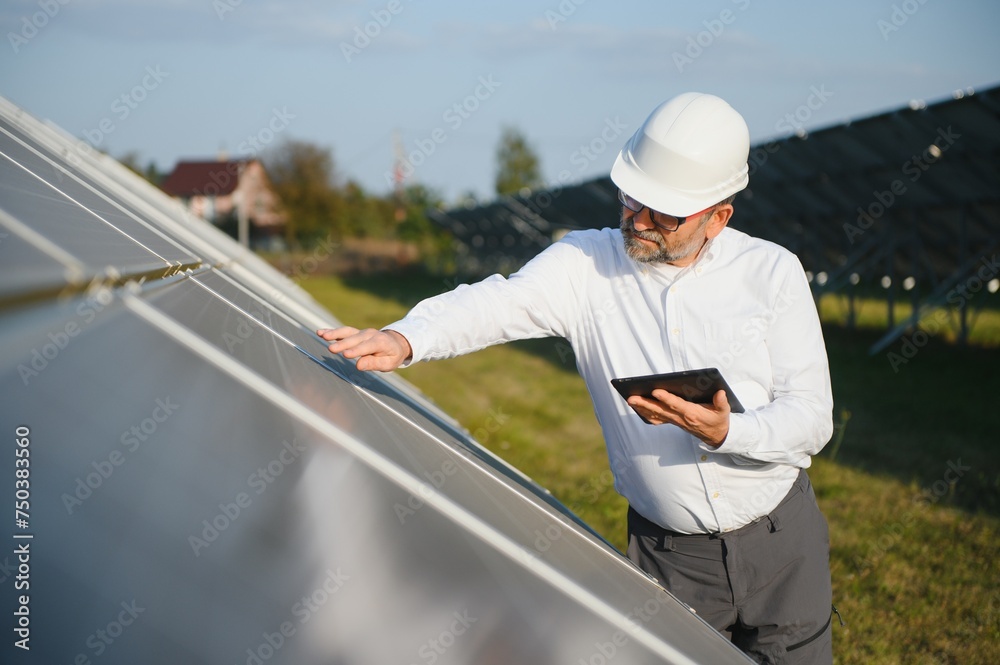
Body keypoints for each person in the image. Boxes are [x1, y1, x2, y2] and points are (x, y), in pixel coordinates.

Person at [318, 92, 836, 664]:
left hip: (781, 545)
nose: (638, 219)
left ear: (719, 216)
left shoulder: (771, 272)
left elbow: (811, 416)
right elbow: (498, 303)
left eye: (664, 212)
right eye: (632, 197)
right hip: (670, 559)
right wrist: (407, 337)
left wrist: (726, 433)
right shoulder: (585, 266)